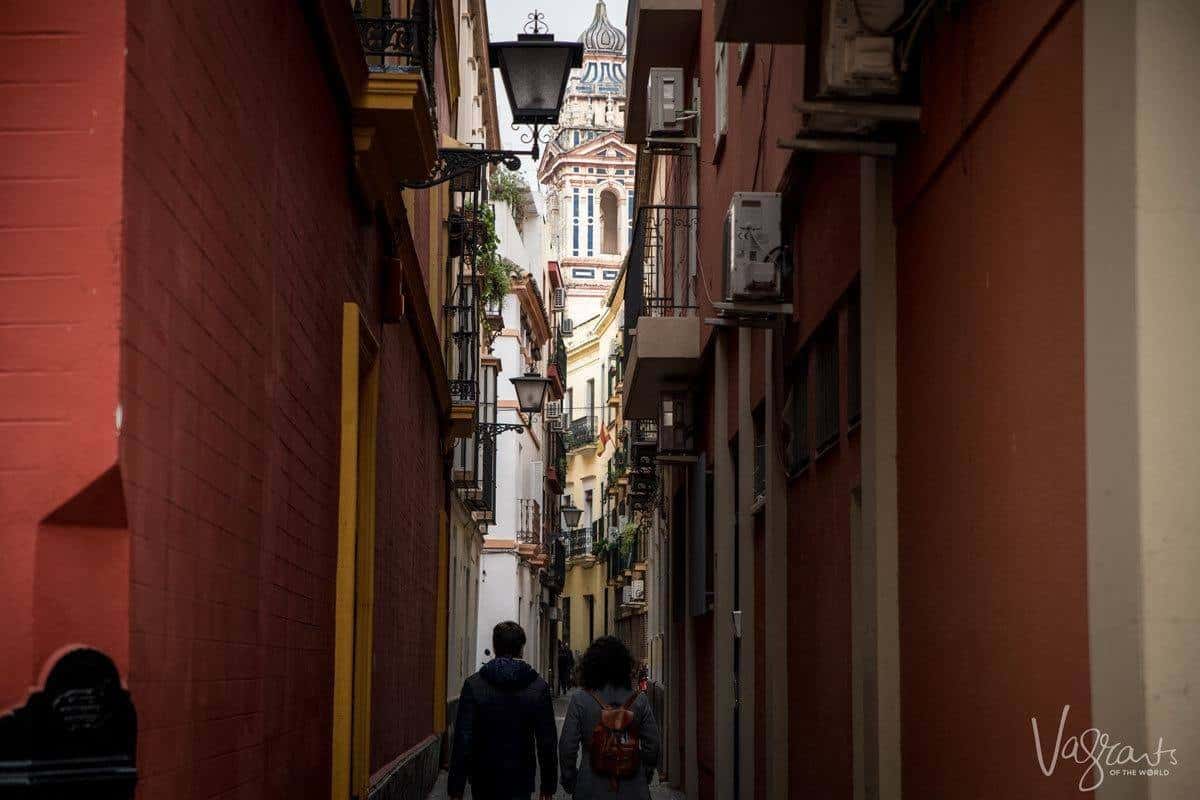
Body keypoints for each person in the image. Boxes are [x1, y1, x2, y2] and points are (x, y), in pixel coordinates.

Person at [448, 621, 557, 800]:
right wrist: (548, 786)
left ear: (495, 647)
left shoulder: (474, 685)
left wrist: (456, 788)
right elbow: (547, 741)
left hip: (483, 778)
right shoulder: (537, 687)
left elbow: (463, 739)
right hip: (520, 778)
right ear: (521, 649)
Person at [558, 636, 660, 799]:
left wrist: (570, 780)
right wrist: (645, 772)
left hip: (589, 787)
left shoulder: (580, 699)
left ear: (590, 666)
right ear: (625, 665)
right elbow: (653, 743)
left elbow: (567, 746)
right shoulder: (639, 700)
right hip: (633, 789)